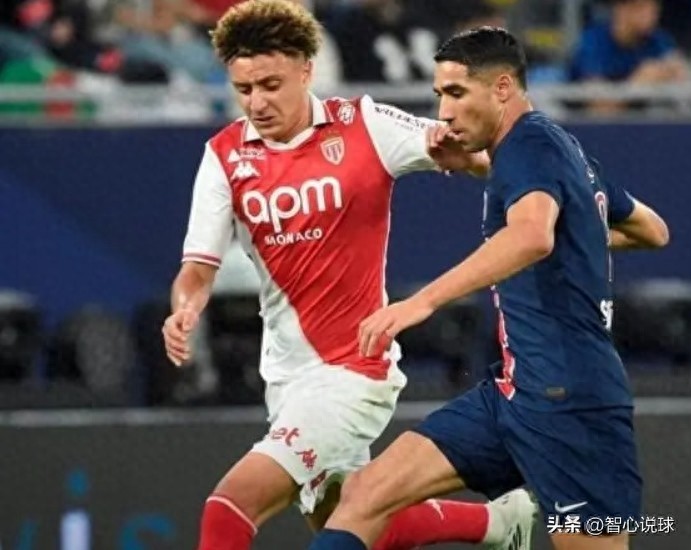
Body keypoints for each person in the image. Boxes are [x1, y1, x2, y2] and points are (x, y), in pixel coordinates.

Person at [161, 2, 537, 550]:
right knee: (355, 519)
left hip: (354, 372)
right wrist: (186, 308)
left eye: (270, 84)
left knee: (228, 507)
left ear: (306, 70)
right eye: (244, 89)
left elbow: (468, 155)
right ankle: (499, 524)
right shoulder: (222, 156)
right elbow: (197, 268)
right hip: (286, 378)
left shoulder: (364, 123)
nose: (257, 102)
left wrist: (516, 182)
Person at [308, 27, 670, 550]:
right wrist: (558, 222)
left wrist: (422, 301)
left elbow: (531, 235)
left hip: (571, 404)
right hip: (513, 396)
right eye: (439, 95)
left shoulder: (528, 145)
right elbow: (652, 230)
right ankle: (502, 524)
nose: (444, 113)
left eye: (457, 93)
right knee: (365, 495)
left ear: (502, 88)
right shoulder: (555, 151)